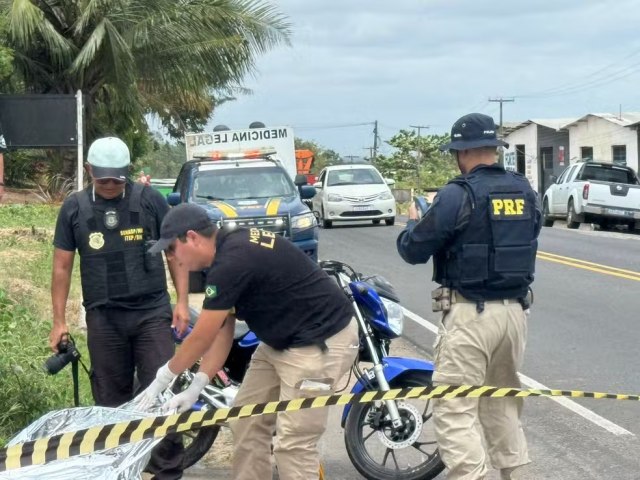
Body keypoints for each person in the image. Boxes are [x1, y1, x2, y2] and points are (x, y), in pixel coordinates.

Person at [138, 203, 359, 480]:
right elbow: (222, 330)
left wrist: (163, 377)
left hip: (320, 341)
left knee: (294, 444)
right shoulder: (225, 252)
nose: (173, 258)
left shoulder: (233, 260)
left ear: (192, 237)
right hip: (281, 340)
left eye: (171, 249)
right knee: (245, 420)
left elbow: (202, 335)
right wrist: (197, 385)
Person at [396, 113, 541, 480]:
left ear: (460, 154)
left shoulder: (456, 194)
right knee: (502, 403)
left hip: (470, 317)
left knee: (454, 407)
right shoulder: (524, 190)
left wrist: (414, 221)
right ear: (494, 149)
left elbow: (413, 250)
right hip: (515, 314)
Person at [49, 136, 189, 480]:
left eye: (117, 179)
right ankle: (116, 471)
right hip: (104, 318)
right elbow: (62, 266)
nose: (110, 185)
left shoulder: (151, 201)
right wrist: (58, 321)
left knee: (160, 395)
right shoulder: (74, 209)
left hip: (151, 314)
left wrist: (182, 302)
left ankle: (167, 473)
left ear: (127, 173)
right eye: (103, 179)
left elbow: (175, 254)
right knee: (110, 400)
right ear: (88, 172)